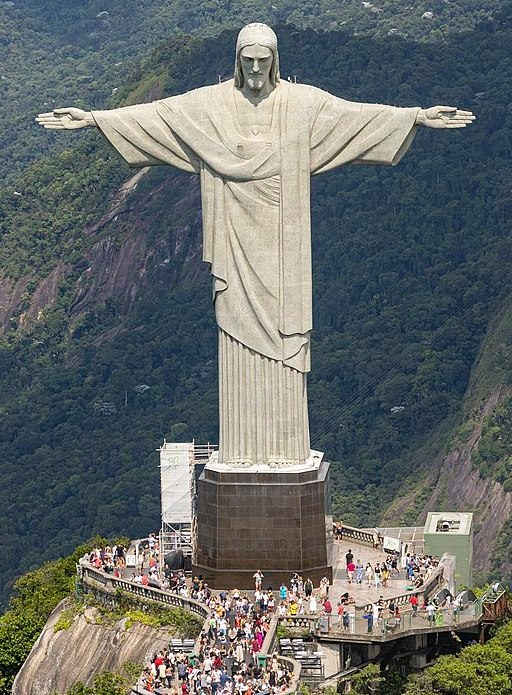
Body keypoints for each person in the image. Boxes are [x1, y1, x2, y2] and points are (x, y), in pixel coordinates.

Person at [36, 23, 474, 470]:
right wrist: (94, 119)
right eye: (249, 62)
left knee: (285, 340)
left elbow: (354, 116)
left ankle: (286, 450)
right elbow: (158, 115)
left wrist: (416, 116)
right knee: (237, 335)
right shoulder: (211, 106)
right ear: (237, 61)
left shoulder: (301, 105)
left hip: (284, 250)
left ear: (276, 62)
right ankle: (242, 450)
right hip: (235, 242)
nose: (256, 70)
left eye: (264, 62)